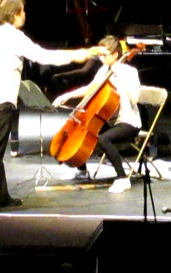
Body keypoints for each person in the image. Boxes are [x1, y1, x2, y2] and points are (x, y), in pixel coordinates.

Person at [0, 0, 108, 213]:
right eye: (22, 11)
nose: (24, 15)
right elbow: (43, 56)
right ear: (15, 14)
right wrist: (80, 54)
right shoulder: (14, 37)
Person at [52, 35, 141, 194]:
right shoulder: (104, 70)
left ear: (115, 55)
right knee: (85, 131)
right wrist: (67, 95)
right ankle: (81, 170)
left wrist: (120, 75)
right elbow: (90, 88)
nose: (100, 58)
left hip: (128, 121)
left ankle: (122, 179)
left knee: (103, 139)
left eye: (103, 55)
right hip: (111, 119)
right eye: (99, 55)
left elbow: (135, 98)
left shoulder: (130, 72)